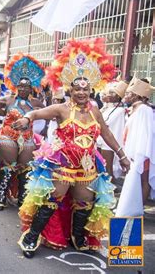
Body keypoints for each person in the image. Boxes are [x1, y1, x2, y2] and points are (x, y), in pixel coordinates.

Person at [13, 38, 130, 258]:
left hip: (87, 165)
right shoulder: (62, 109)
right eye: (77, 89)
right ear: (70, 89)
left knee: (85, 202)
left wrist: (122, 155)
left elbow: (106, 133)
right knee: (52, 200)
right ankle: (31, 237)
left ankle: (78, 237)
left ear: (91, 90)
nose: (81, 93)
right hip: (64, 162)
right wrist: (27, 119)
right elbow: (37, 113)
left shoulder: (95, 110)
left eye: (85, 89)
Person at [0, 54, 45, 210]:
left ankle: (22, 199)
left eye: (26, 86)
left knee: (25, 168)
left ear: (31, 87)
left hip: (27, 138)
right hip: (8, 135)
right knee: (8, 166)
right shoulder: (9, 99)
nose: (23, 89)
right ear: (16, 86)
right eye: (20, 86)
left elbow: (46, 114)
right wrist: (3, 112)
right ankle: (1, 197)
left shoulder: (36, 102)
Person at [116, 77, 155, 217]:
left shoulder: (144, 109)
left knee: (143, 179)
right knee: (134, 179)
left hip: (141, 151)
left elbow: (146, 133)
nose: (125, 96)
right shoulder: (134, 109)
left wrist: (139, 152)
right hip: (132, 150)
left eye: (128, 93)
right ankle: (132, 205)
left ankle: (140, 207)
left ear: (136, 95)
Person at [96, 81, 127, 179]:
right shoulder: (106, 108)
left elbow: (105, 123)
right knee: (100, 167)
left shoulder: (120, 110)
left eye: (112, 93)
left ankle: (109, 189)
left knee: (107, 169)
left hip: (109, 143)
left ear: (118, 96)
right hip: (100, 141)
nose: (108, 95)